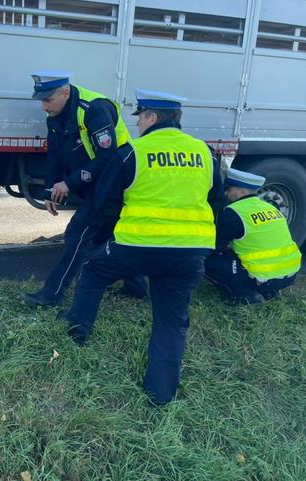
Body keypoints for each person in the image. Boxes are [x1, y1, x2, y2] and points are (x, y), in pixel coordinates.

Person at [58, 89, 225, 405]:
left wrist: (102, 237)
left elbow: (106, 199)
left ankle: (77, 333)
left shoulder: (133, 152)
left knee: (93, 271)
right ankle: (160, 396)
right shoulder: (205, 153)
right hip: (188, 254)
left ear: (152, 117)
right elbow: (217, 201)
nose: (137, 125)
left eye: (140, 118)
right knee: (171, 321)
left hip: (135, 247)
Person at [22, 70, 147, 308]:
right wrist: (50, 190)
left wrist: (69, 183)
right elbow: (55, 155)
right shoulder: (56, 115)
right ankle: (136, 288)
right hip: (97, 182)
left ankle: (51, 295)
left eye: (47, 99)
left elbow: (108, 157)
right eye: (41, 100)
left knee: (77, 235)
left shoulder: (94, 109)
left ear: (65, 92)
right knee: (115, 234)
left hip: (115, 182)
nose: (43, 106)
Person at [205, 168, 301, 304]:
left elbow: (214, 246)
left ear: (242, 191)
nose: (225, 193)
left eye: (229, 189)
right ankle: (270, 291)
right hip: (289, 276)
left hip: (260, 277)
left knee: (203, 257)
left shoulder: (233, 212)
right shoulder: (271, 208)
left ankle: (243, 295)